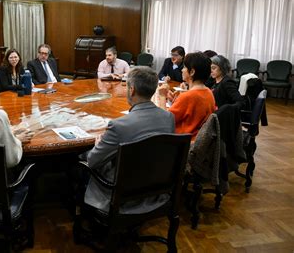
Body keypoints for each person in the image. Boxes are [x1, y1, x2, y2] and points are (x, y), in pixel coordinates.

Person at [80, 66, 175, 213]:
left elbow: (92, 162)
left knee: (81, 158)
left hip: (122, 195)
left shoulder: (119, 126)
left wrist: (98, 145)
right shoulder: (168, 118)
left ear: (131, 90)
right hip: (155, 191)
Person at [158, 52, 216, 140]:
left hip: (181, 143)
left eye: (184, 67)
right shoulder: (208, 92)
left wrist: (162, 96)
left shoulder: (188, 96)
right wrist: (176, 99)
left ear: (192, 72)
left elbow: (164, 122)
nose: (182, 70)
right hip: (197, 141)